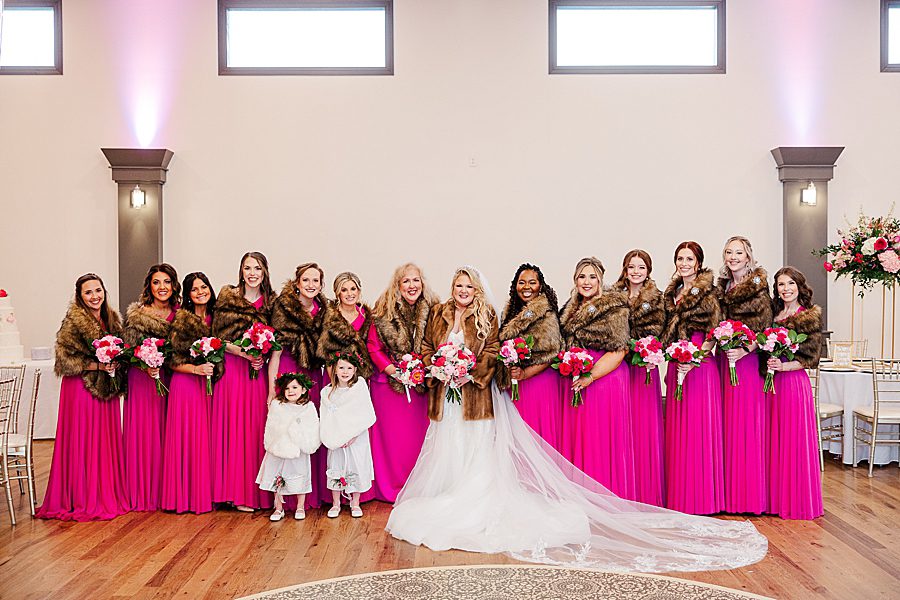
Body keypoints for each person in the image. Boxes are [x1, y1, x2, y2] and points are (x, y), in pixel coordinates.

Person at [387, 266, 767, 572]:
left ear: (476, 289)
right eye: (458, 285)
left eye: (468, 285)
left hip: (474, 394)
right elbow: (425, 347)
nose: (463, 290)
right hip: (446, 398)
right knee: (446, 447)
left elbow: (490, 349)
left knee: (474, 451)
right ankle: (447, 494)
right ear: (452, 288)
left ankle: (470, 500)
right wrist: (438, 367)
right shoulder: (438, 313)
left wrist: (470, 369)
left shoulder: (486, 315)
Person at [36, 274, 130, 521]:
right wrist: (97, 366)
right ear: (80, 296)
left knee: (104, 439)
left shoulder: (112, 320)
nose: (94, 296)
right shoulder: (73, 321)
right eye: (88, 292)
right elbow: (65, 361)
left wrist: (115, 364)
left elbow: (121, 352)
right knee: (83, 438)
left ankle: (104, 492)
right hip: (80, 388)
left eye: (98, 290)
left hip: (105, 389)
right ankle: (81, 496)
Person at [559, 257, 636, 500]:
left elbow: (619, 350)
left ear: (601, 280)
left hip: (604, 379)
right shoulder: (570, 308)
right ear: (575, 280)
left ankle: (604, 498)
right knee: (583, 440)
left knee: (601, 441)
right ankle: (583, 498)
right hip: (580, 378)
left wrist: (590, 376)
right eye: (582, 276)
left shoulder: (613, 307)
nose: (587, 281)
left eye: (592, 277)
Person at [366, 263, 438, 502]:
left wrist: (425, 368)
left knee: (419, 441)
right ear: (398, 285)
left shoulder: (434, 310)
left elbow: (439, 344)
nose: (412, 285)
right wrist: (394, 371)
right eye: (406, 281)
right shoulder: (383, 311)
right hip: (390, 387)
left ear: (422, 283)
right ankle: (389, 487)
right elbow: (373, 347)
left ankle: (419, 488)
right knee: (393, 443)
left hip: (421, 388)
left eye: (416, 280)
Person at [661, 242, 724, 515]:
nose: (684, 263)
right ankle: (679, 495)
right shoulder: (671, 293)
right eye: (680, 258)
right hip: (677, 364)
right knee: (678, 430)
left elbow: (714, 333)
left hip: (700, 365)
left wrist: (695, 358)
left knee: (698, 429)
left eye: (689, 259)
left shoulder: (709, 292)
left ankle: (702, 498)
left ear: (698, 263)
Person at [211, 251, 275, 512]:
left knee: (253, 431)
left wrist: (262, 355)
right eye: (247, 268)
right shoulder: (227, 299)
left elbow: (277, 342)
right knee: (231, 431)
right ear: (241, 271)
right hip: (232, 373)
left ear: (264, 272)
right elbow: (216, 339)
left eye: (257, 268)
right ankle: (231, 493)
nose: (252, 273)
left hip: (257, 375)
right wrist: (241, 352)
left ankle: (253, 493)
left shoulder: (272, 304)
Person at [716, 236, 772, 515]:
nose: (733, 257)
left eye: (739, 252)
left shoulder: (758, 287)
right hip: (724, 361)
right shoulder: (722, 287)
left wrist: (745, 350)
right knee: (727, 427)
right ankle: (728, 494)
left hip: (747, 364)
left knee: (746, 427)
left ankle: (748, 497)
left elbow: (766, 327)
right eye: (729, 252)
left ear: (749, 257)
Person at [268, 262, 329, 510]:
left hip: (311, 374)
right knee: (285, 432)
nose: (311, 285)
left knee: (307, 432)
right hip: (288, 372)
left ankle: (308, 496)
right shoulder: (283, 308)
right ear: (297, 283)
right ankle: (283, 500)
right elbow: (275, 353)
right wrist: (273, 388)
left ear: (321, 285)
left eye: (316, 281)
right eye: (306, 280)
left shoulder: (325, 311)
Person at [765, 267, 824, 520]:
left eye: (790, 284)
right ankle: (775, 501)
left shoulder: (808, 316)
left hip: (792, 384)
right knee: (774, 443)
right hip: (770, 386)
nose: (785, 289)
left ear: (800, 286)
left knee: (793, 442)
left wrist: (784, 365)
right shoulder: (773, 315)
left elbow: (811, 357)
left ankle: (798, 502)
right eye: (780, 284)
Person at [161, 272, 220, 514]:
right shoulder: (181, 320)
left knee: (207, 440)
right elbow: (171, 361)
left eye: (203, 287)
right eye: (194, 289)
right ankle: (184, 497)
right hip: (186, 386)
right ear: (187, 295)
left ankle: (207, 495)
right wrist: (196, 368)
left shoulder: (217, 318)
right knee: (188, 440)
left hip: (210, 387)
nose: (200, 292)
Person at [123, 263, 180, 511]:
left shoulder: (180, 315)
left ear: (174, 285)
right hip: (143, 381)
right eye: (157, 282)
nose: (162, 287)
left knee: (169, 434)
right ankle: (143, 493)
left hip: (172, 380)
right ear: (149, 286)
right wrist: (146, 365)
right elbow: (128, 351)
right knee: (145, 434)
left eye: (166, 282)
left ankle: (167, 492)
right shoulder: (138, 315)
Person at [615, 249, 666, 507]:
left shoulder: (657, 298)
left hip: (645, 368)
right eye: (631, 267)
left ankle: (647, 492)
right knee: (623, 426)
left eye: (641, 267)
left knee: (644, 426)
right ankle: (625, 489)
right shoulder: (613, 296)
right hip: (620, 368)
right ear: (625, 270)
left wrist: (648, 349)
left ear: (648, 271)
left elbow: (662, 332)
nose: (636, 272)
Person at [495, 263, 564, 449]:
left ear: (540, 286)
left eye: (532, 282)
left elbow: (551, 352)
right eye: (521, 282)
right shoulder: (510, 312)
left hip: (538, 382)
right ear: (515, 285)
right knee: (518, 438)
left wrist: (525, 374)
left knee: (536, 437)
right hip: (516, 383)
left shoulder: (546, 313)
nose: (526, 287)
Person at [257, 373, 321, 521]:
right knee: (277, 477)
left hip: (299, 449)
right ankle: (279, 507)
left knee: (300, 475)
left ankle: (300, 506)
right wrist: (276, 442)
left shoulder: (308, 407)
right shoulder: (277, 406)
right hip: (279, 448)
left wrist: (300, 435)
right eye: (287, 388)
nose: (290, 391)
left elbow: (312, 427)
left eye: (294, 387)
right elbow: (272, 426)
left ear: (303, 390)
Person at [320, 352, 376, 518]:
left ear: (355, 370)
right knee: (335, 467)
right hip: (337, 438)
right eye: (341, 367)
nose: (345, 371)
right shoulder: (327, 392)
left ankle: (355, 502)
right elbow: (326, 417)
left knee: (356, 465)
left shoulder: (359, 387)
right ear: (335, 370)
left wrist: (353, 435)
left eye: (349, 368)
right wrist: (335, 437)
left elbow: (366, 413)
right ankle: (336, 503)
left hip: (356, 438)